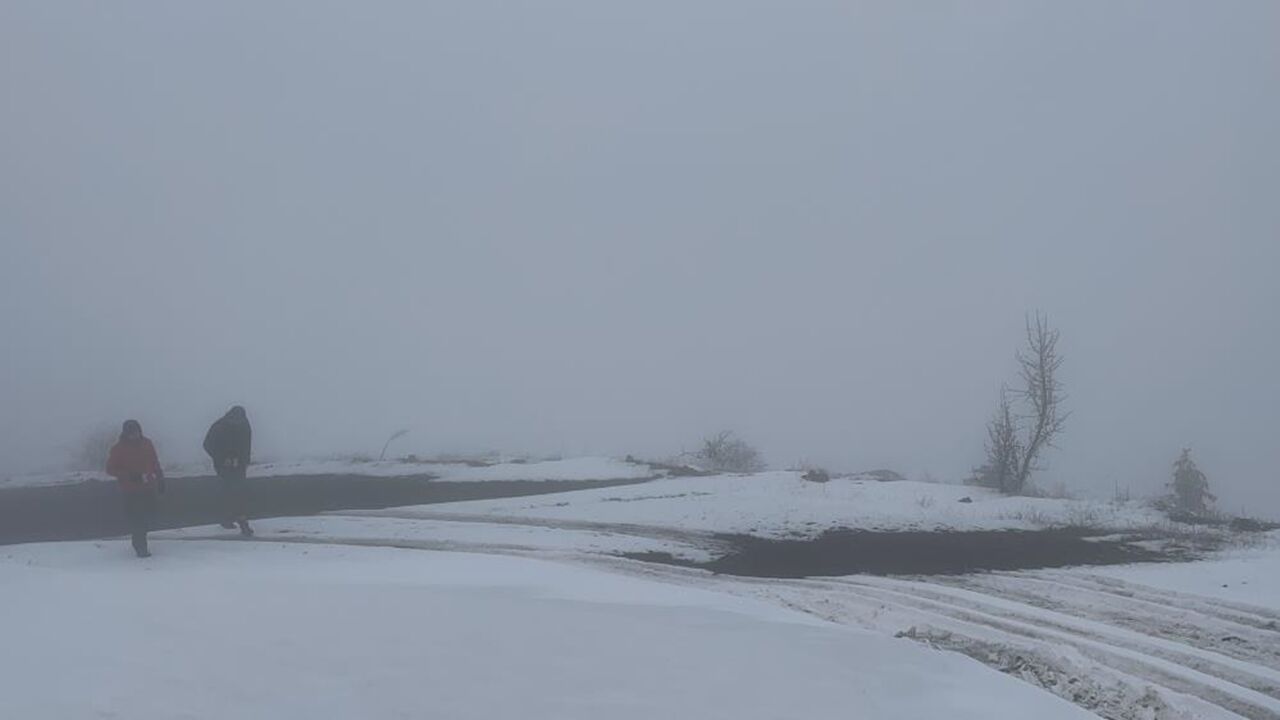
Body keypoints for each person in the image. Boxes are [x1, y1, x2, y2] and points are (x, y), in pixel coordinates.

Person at [105, 419, 165, 558]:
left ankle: (139, 538)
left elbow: (154, 461)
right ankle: (140, 547)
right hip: (131, 490)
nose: (135, 435)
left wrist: (160, 477)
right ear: (126, 433)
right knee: (138, 519)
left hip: (148, 487)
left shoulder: (147, 443)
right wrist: (130, 476)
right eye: (131, 433)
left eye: (137, 432)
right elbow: (110, 469)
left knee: (150, 516)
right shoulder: (118, 449)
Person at [203, 405, 254, 536]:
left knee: (238, 492)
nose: (237, 422)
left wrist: (244, 461)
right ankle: (233, 519)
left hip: (239, 465)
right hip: (223, 466)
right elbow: (207, 444)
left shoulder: (244, 426)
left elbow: (246, 444)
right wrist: (222, 458)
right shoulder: (219, 426)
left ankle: (236, 520)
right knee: (230, 491)